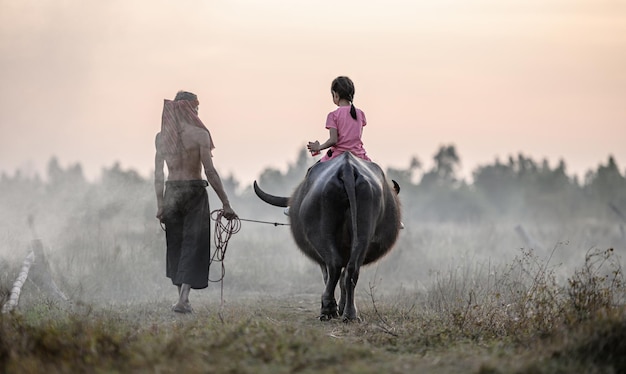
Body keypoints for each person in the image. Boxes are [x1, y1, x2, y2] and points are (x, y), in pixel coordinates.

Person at [154, 90, 237, 313]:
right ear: (191, 109)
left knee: (177, 244)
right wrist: (226, 203)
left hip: (172, 192)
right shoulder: (200, 134)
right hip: (194, 192)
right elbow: (209, 171)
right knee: (193, 244)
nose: (198, 112)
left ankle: (182, 298)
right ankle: (183, 298)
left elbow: (158, 175)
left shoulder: (162, 137)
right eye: (196, 108)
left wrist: (161, 205)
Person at [306, 76, 370, 162]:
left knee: (312, 171)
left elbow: (333, 140)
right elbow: (356, 138)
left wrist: (319, 147)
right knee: (377, 172)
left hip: (338, 154)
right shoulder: (360, 114)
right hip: (359, 155)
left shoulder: (333, 115)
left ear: (335, 94)